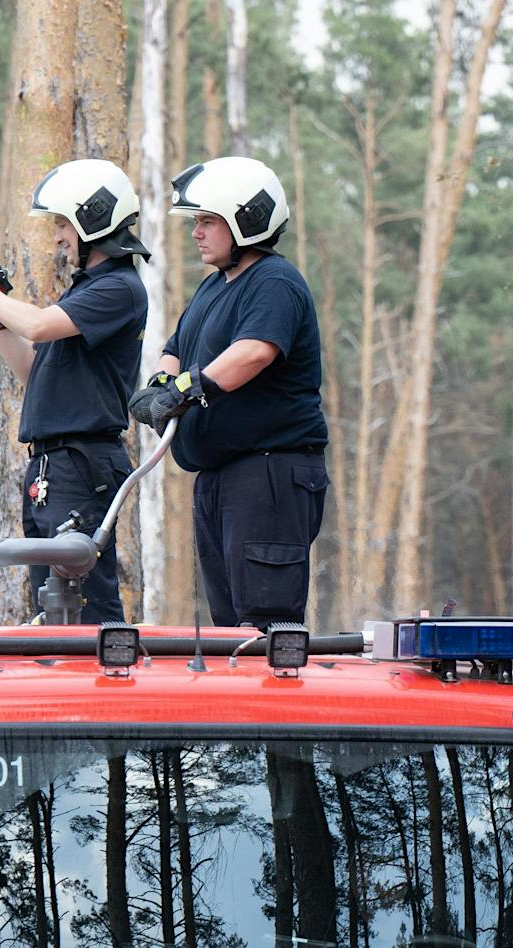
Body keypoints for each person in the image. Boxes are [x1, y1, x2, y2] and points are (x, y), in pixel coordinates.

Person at [128, 156, 329, 632]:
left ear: (246, 221)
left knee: (263, 625)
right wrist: (159, 386)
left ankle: (274, 685)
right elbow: (176, 349)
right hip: (220, 476)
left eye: (208, 221)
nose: (196, 233)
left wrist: (184, 389)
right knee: (227, 627)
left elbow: (254, 351)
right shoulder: (213, 288)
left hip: (268, 473)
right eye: (196, 222)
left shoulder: (274, 282)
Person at [0, 158, 150, 623]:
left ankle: (103, 671)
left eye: (63, 224)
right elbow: (33, 371)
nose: (58, 236)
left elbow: (37, 326)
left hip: (81, 464)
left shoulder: (118, 289)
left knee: (86, 602)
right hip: (51, 466)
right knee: (51, 605)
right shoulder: (83, 293)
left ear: (93, 220)